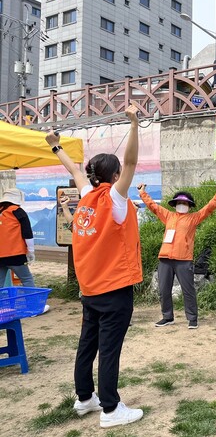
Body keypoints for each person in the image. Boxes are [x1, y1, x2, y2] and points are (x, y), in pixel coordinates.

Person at [45, 104, 144, 429]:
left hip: (90, 290)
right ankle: (111, 409)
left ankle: (85, 398)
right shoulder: (114, 199)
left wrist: (55, 145)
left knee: (88, 343)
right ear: (115, 177)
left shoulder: (86, 195)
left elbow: (74, 170)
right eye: (121, 175)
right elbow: (130, 161)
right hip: (114, 289)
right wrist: (133, 124)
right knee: (109, 349)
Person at [138, 184, 216, 329]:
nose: (181, 205)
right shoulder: (168, 216)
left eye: (184, 203)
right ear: (175, 205)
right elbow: (153, 206)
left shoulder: (193, 218)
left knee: (188, 290)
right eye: (179, 203)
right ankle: (167, 317)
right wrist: (142, 193)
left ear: (189, 206)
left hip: (184, 260)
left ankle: (192, 318)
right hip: (165, 259)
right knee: (163, 289)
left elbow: (208, 208)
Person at [0, 188, 35, 287]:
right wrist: (31, 251)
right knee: (27, 279)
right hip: (16, 255)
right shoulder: (17, 211)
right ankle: (31, 302)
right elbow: (27, 233)